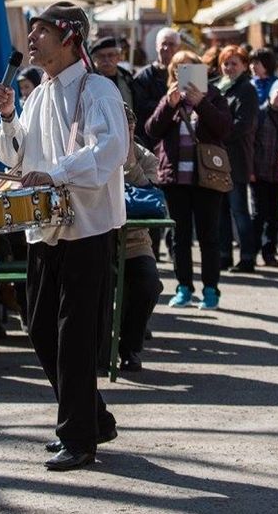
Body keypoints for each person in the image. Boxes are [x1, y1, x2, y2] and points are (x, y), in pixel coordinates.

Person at [0, 1, 128, 471]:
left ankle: (79, 437)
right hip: (45, 227)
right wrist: (8, 117)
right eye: (31, 32)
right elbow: (15, 156)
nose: (31, 40)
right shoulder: (40, 94)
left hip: (87, 227)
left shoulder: (98, 88)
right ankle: (94, 418)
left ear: (69, 37)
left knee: (75, 335)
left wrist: (55, 173)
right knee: (42, 328)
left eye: (41, 31)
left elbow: (110, 149)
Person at [146, 50, 231, 309]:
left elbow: (225, 129)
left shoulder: (214, 96)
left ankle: (210, 289)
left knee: (209, 236)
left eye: (190, 68)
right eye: (178, 69)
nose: (184, 74)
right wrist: (168, 105)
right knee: (179, 236)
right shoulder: (170, 99)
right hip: (175, 178)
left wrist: (201, 103)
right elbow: (151, 130)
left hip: (207, 177)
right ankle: (184, 287)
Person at [117, 103, 165, 371]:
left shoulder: (145, 157)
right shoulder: (89, 152)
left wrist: (128, 161)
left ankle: (131, 346)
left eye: (130, 127)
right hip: (96, 237)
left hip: (134, 240)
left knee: (148, 284)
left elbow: (150, 194)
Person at [216, 45, 258, 273]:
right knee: (221, 209)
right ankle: (224, 254)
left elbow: (244, 123)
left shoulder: (246, 89)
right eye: (226, 63)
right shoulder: (219, 87)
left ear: (243, 66)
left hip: (237, 157)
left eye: (234, 63)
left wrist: (218, 131)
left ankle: (248, 255)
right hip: (218, 158)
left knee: (239, 209)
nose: (229, 68)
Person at [245, 79, 278, 269]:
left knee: (274, 217)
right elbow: (250, 144)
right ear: (272, 92)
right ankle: (251, 252)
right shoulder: (259, 114)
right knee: (258, 215)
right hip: (259, 172)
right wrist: (250, 169)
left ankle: (269, 252)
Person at [131, 27, 182, 149]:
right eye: (163, 44)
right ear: (156, 46)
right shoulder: (142, 77)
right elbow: (139, 108)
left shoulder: (187, 73)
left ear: (179, 48)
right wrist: (169, 105)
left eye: (171, 44)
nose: (167, 48)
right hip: (152, 140)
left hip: (182, 140)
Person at [91, 36, 135, 111]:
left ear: (118, 57)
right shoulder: (89, 80)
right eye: (101, 56)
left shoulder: (126, 77)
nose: (106, 59)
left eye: (110, 55)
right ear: (95, 59)